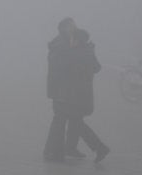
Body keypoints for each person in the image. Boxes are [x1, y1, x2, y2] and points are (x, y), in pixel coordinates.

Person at [65, 29, 109, 163]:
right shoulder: (87, 51)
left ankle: (100, 148)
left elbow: (71, 71)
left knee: (76, 122)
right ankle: (70, 148)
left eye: (72, 39)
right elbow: (97, 68)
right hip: (84, 93)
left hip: (77, 94)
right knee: (75, 121)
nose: (70, 41)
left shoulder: (77, 53)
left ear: (77, 40)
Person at [43, 17, 85, 161]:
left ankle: (53, 150)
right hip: (61, 90)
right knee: (59, 120)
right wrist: (72, 51)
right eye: (71, 26)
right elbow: (59, 68)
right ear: (64, 29)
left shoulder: (66, 44)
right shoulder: (60, 45)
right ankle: (54, 152)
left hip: (67, 90)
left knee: (61, 119)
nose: (74, 29)